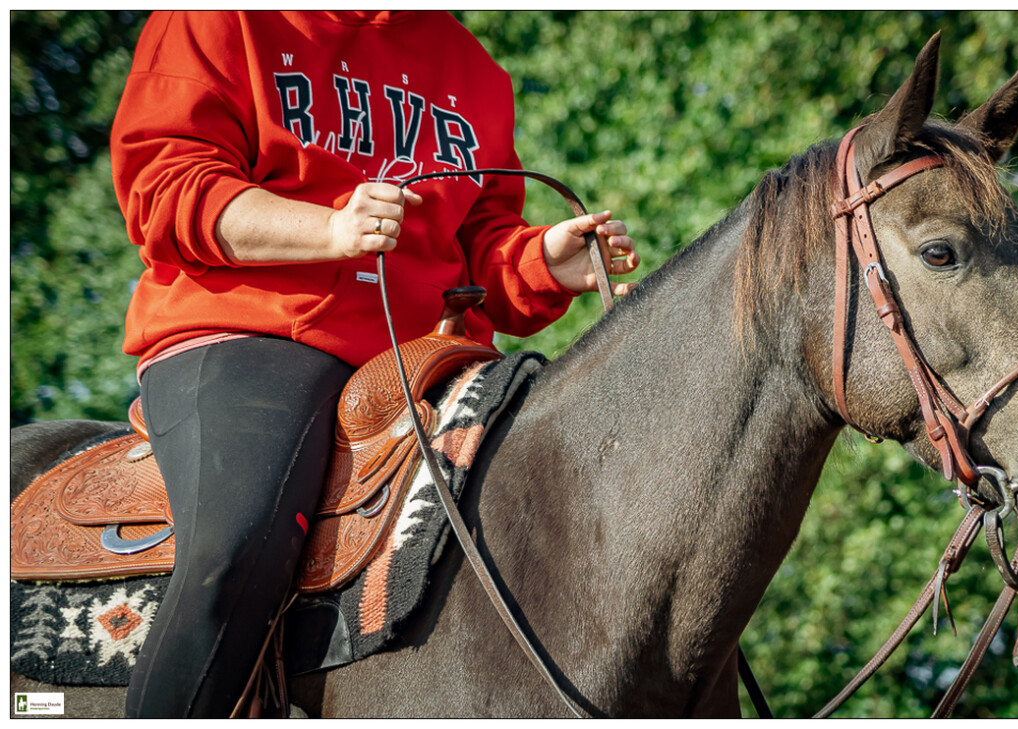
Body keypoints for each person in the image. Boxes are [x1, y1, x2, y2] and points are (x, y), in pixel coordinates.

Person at [110, 11, 638, 717]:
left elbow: (478, 246)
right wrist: (329, 229)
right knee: (239, 543)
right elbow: (163, 185)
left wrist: (541, 260)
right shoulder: (220, 18)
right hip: (247, 332)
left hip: (424, 363)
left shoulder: (474, 69)